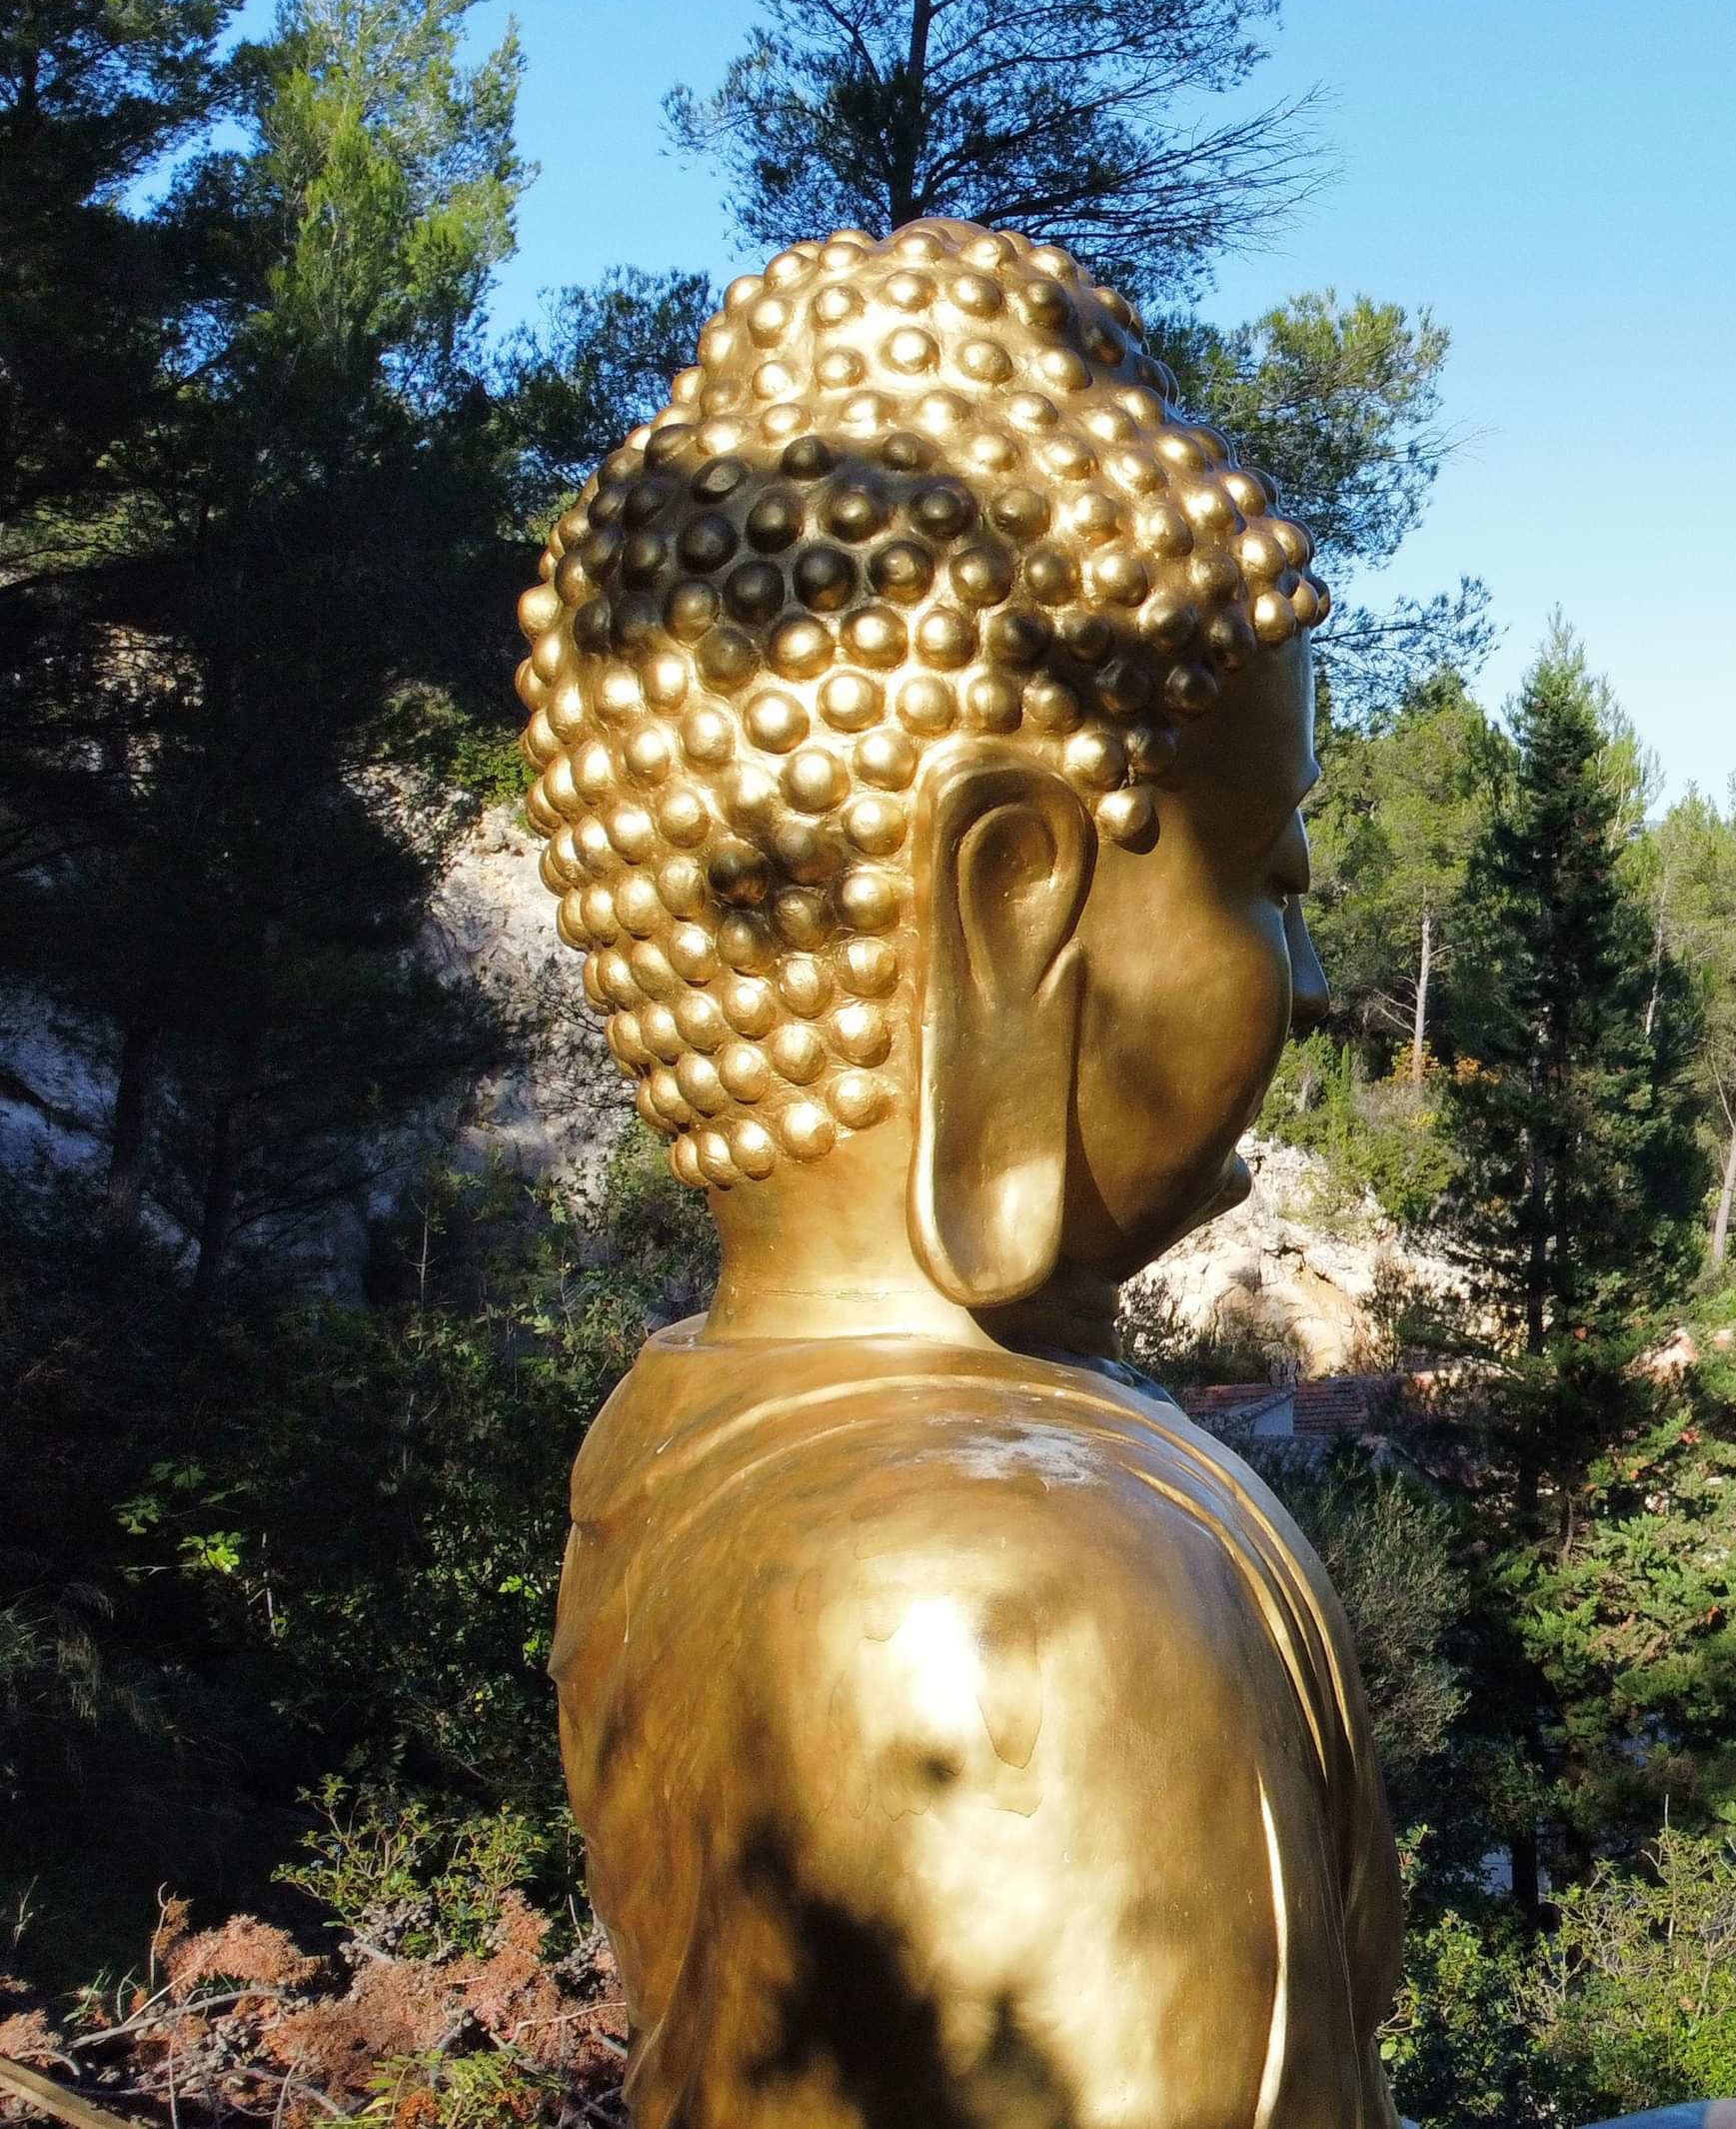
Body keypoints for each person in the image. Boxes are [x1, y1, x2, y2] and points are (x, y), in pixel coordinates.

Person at [521, 219, 1397, 2129]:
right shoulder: (1011, 1605)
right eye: (1269, 874)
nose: (1309, 980)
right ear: (1013, 910)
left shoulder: (674, 1424)